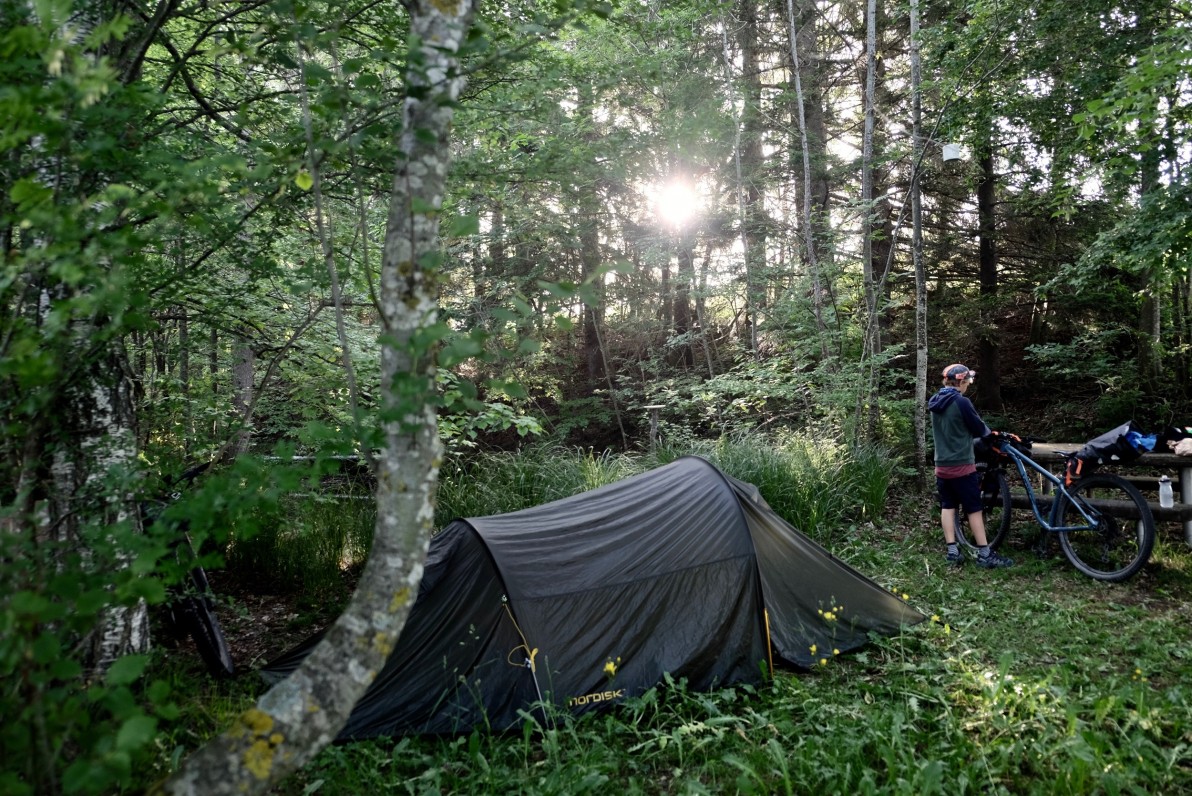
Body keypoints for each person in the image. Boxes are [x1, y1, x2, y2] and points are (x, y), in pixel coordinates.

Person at [928, 363, 1013, 569]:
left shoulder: (934, 401)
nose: (969, 385)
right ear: (961, 381)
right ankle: (984, 554)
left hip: (941, 465)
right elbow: (980, 429)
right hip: (962, 465)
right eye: (968, 381)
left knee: (948, 505)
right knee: (974, 507)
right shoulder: (961, 402)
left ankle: (952, 551)